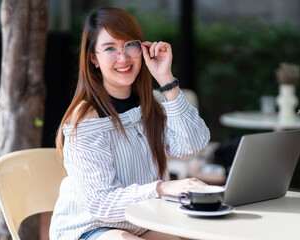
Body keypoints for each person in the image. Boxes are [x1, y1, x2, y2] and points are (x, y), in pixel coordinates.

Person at [49, 7, 210, 240]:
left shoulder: (152, 103)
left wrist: (166, 79)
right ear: (93, 58)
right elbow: (101, 203)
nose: (123, 57)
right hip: (91, 228)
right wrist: (161, 188)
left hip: (144, 222)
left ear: (141, 48)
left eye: (129, 45)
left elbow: (192, 145)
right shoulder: (85, 121)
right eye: (110, 48)